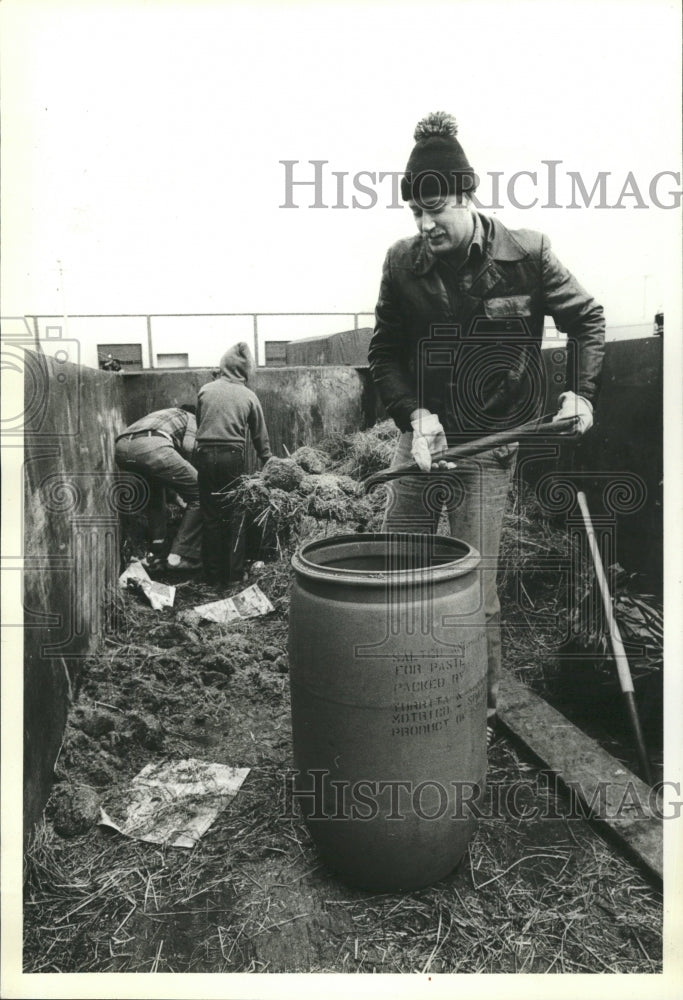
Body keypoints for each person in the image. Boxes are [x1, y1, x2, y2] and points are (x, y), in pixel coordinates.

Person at [368, 112, 605, 745]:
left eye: (434, 209)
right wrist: (414, 417)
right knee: (400, 569)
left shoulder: (525, 255)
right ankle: (405, 697)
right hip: (423, 443)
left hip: (490, 446)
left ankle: (482, 720)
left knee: (475, 587)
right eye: (414, 213)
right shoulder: (401, 263)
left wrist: (579, 392)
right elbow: (384, 352)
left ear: (467, 195)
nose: (424, 225)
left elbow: (587, 319)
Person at [195, 342, 272, 586]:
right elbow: (260, 435)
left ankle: (212, 578)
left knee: (210, 516)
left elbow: (200, 424)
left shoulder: (205, 390)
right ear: (246, 370)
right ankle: (234, 576)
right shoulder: (248, 395)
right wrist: (268, 459)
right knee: (234, 516)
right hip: (231, 457)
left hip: (204, 456)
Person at [114, 404, 202, 570]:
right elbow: (189, 447)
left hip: (122, 448)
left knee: (155, 491)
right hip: (153, 446)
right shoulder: (191, 417)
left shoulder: (161, 415)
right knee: (200, 492)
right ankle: (179, 556)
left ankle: (157, 549)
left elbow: (168, 473)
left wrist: (177, 498)